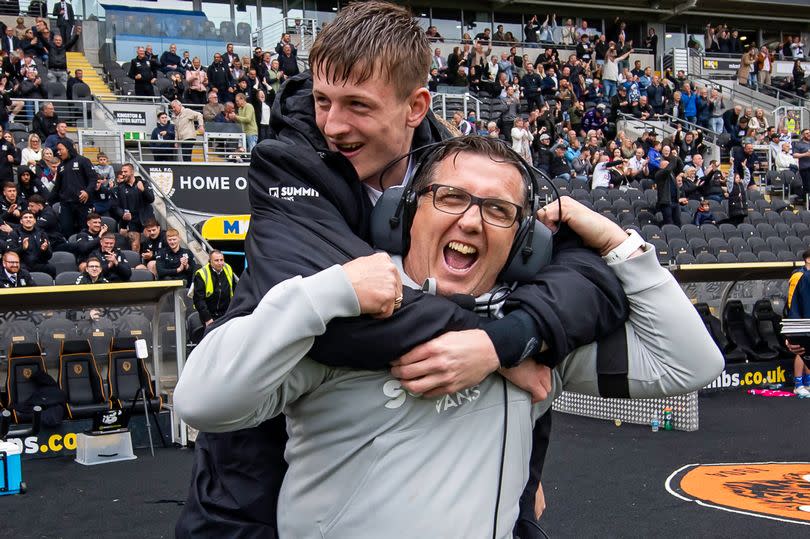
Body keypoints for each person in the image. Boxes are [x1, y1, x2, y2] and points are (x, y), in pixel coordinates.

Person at [175, 4, 629, 538]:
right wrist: (498, 346)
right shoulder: (287, 162)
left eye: (357, 106)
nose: (332, 125)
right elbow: (346, 321)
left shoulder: (464, 163)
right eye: (323, 101)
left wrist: (515, 340)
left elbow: (576, 274)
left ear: (415, 107)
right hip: (253, 457)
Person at [175, 138, 723, 538]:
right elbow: (203, 401)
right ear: (404, 213)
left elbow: (688, 362)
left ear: (524, 242)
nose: (471, 221)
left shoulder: (533, 333)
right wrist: (328, 295)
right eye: (450, 197)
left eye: (498, 210)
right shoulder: (341, 311)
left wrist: (610, 238)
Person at [786, 249, 810, 396]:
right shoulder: (799, 276)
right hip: (801, 320)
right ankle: (799, 383)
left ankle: (808, 382)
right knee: (802, 352)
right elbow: (792, 302)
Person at [114, 163, 154, 250]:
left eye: (125, 171)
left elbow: (151, 199)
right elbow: (116, 206)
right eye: (122, 172)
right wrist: (123, 214)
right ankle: (136, 262)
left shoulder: (144, 183)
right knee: (135, 245)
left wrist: (143, 190)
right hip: (131, 221)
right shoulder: (120, 188)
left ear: (132, 172)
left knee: (151, 243)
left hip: (146, 218)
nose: (123, 174)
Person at [192, 250, 236, 326]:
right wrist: (207, 318)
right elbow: (198, 299)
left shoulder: (228, 268)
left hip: (226, 314)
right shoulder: (201, 274)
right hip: (210, 316)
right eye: (216, 260)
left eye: (221, 260)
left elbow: (234, 290)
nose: (220, 263)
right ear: (210, 261)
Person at [14, 209, 54, 277]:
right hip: (22, 264)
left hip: (39, 264)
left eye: (31, 217)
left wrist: (44, 250)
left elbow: (49, 256)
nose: (28, 219)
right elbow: (10, 254)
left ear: (35, 221)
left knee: (51, 268)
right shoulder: (15, 233)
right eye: (25, 217)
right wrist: (22, 248)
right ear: (21, 221)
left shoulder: (42, 233)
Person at [794, 129, 810, 198]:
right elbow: (795, 155)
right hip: (805, 168)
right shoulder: (799, 144)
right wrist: (805, 154)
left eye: (809, 133)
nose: (809, 134)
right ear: (803, 135)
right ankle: (806, 202)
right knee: (807, 186)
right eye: (807, 133)